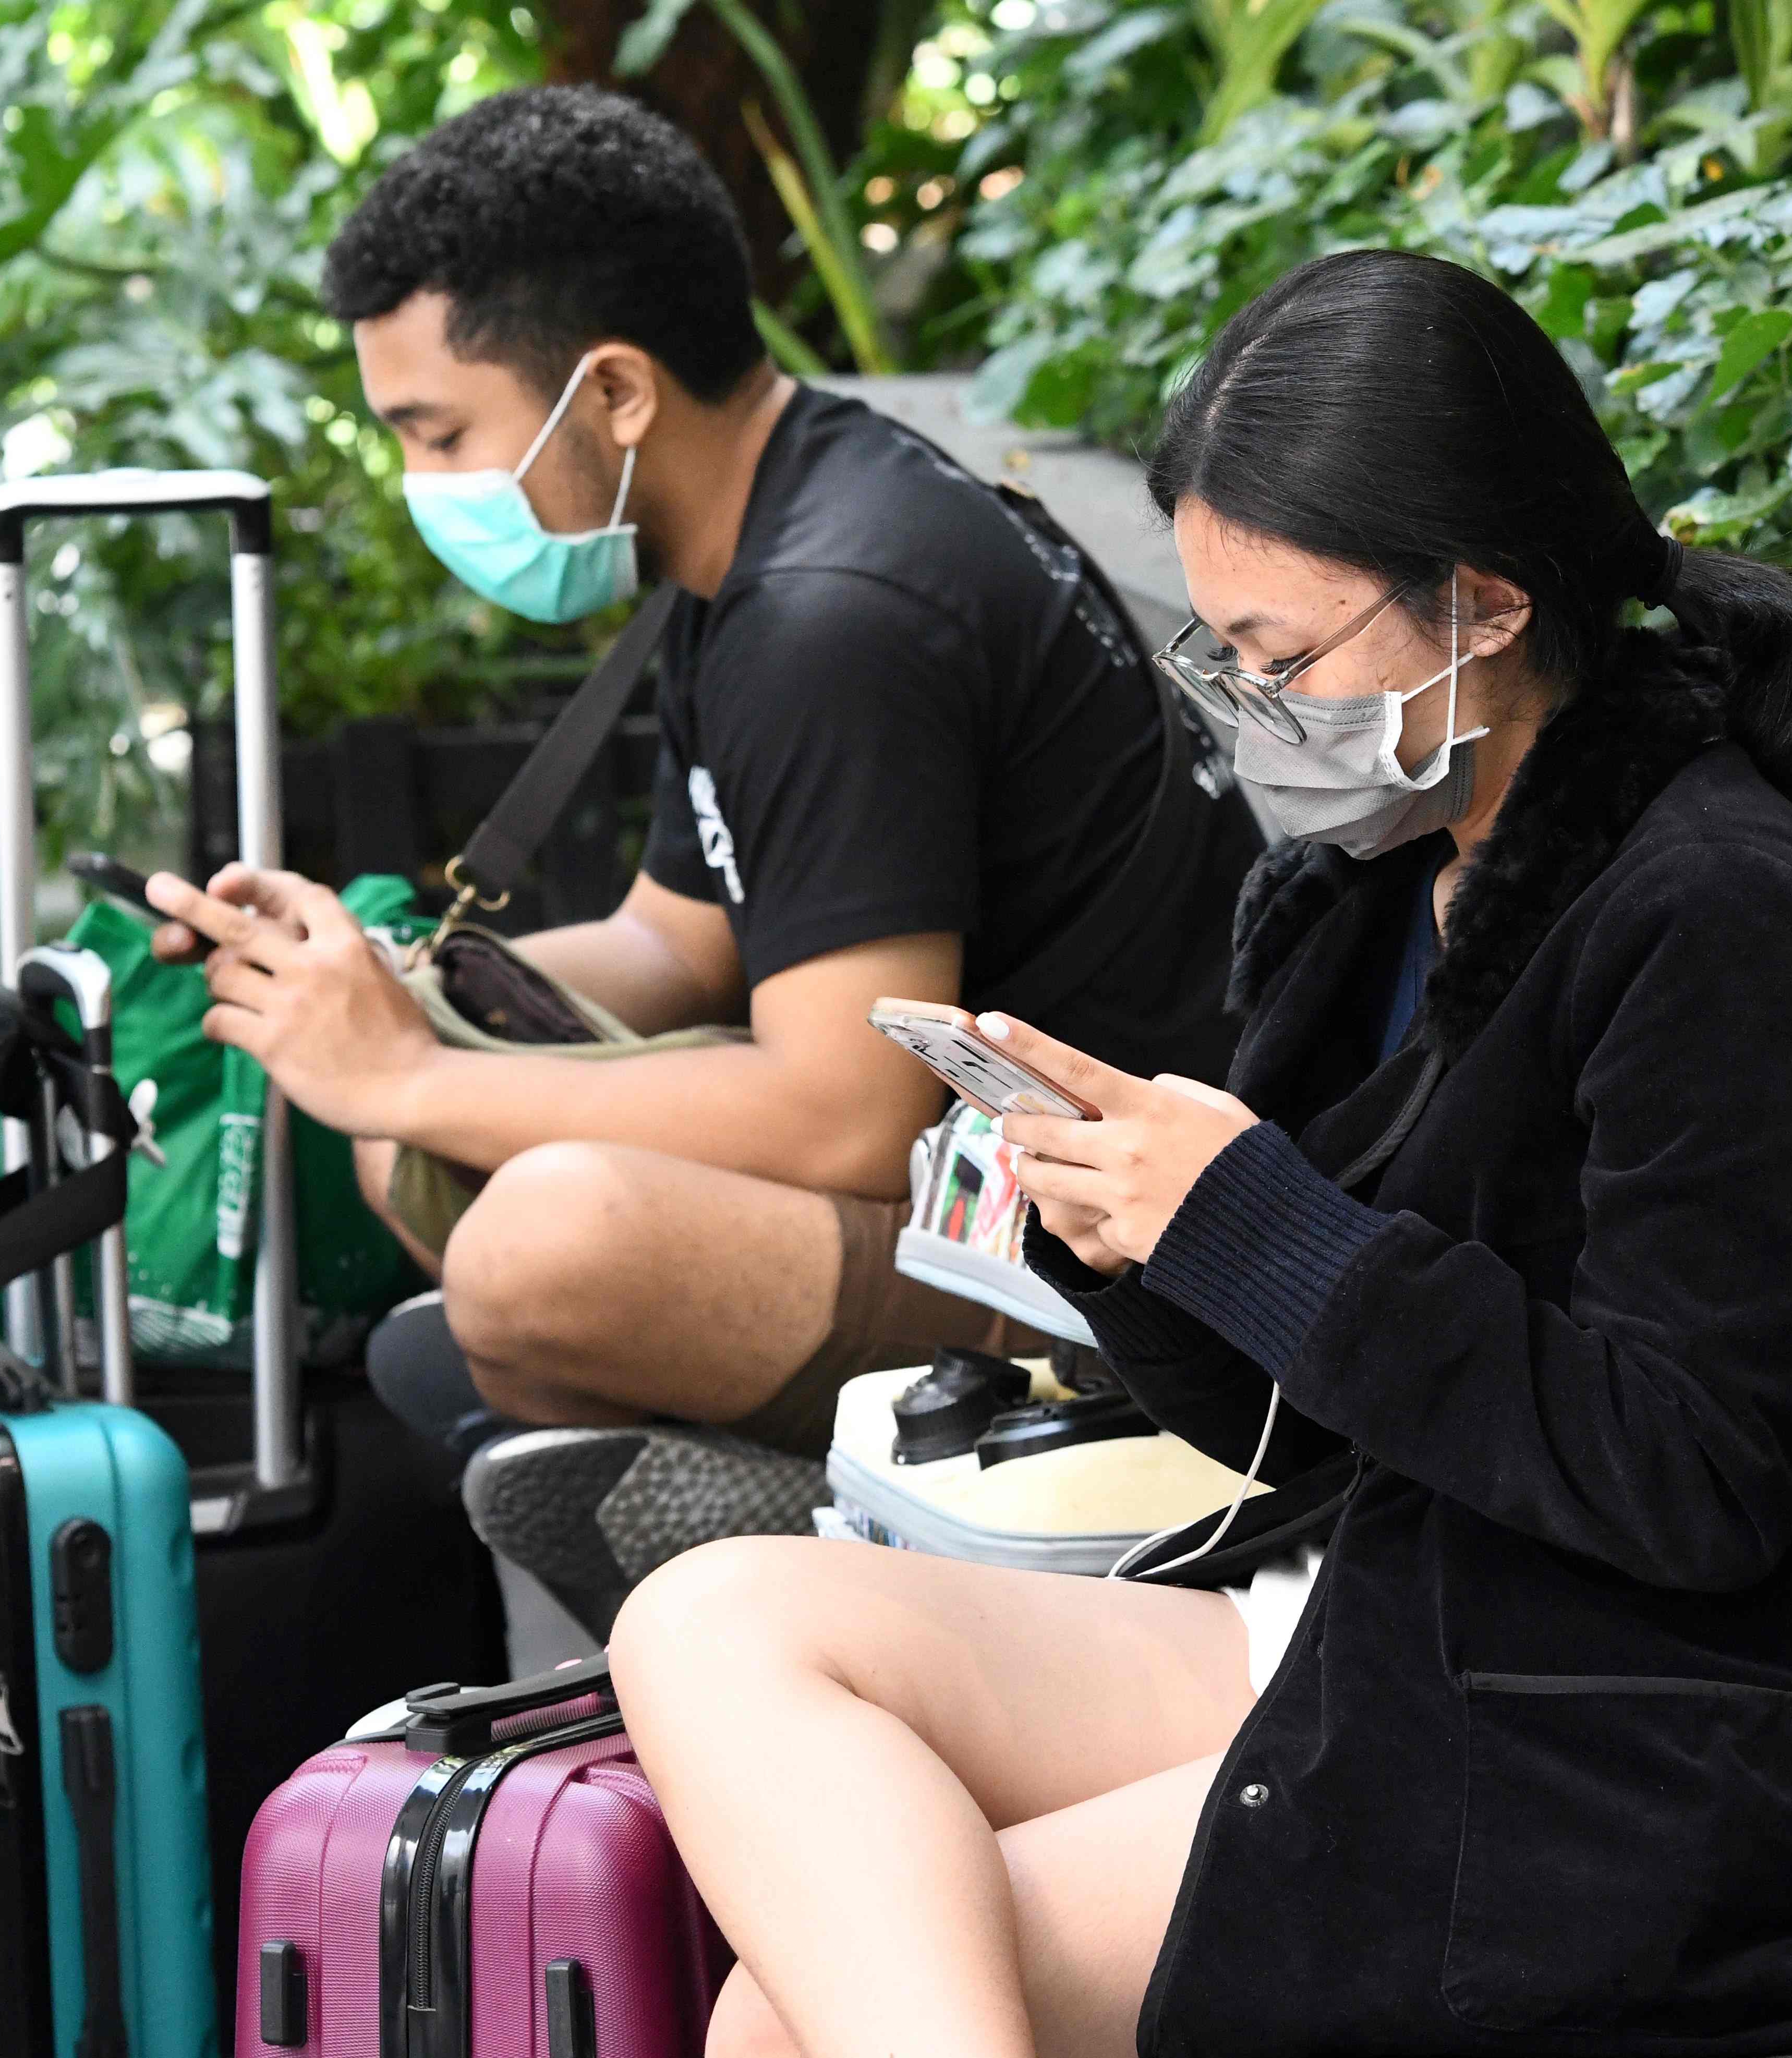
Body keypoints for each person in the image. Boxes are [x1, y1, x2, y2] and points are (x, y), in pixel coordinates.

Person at [605, 246, 1792, 2058]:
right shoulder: (1381, 886)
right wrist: (1131, 1231)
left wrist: (1253, 1217)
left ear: (1489, 605)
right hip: (1421, 1615)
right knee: (717, 1620)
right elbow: (1301, 1415)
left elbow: (1693, 1477)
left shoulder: (1726, 923)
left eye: (1283, 650)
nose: (1253, 708)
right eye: (1222, 647)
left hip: (1672, 1748)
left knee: (796, 2053)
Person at [139, 86, 1254, 1630]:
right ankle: (787, 1482)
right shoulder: (762, 544)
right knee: (438, 1179)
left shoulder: (832, 611)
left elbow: (841, 1114)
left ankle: (863, 1531)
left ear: (612, 394)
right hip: (972, 1184)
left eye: (439, 434)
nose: (427, 488)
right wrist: (379, 981)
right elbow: (684, 943)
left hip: (1110, 1263)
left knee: (535, 1243)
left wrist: (404, 1073)